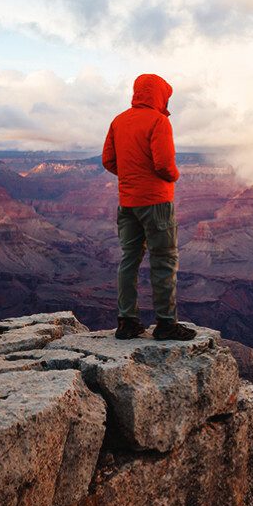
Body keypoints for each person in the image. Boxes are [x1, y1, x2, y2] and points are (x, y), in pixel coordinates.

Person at [102, 73, 194, 341]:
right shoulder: (159, 121)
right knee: (163, 259)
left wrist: (131, 176)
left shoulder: (118, 121)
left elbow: (108, 160)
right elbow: (164, 165)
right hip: (156, 203)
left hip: (127, 203)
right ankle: (166, 323)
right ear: (159, 94)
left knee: (129, 259)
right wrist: (174, 176)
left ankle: (127, 321)